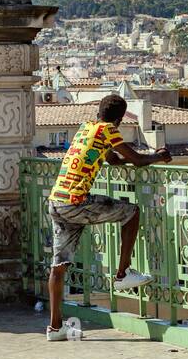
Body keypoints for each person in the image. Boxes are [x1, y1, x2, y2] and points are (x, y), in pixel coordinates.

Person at [45, 94, 172, 341]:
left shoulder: (86, 129)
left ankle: (55, 328)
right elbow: (135, 160)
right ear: (119, 118)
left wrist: (130, 156)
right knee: (132, 212)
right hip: (76, 202)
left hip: (57, 201)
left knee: (58, 266)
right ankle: (122, 274)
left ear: (98, 112)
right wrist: (159, 156)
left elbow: (112, 159)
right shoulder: (108, 130)